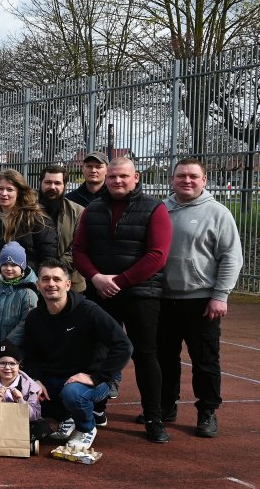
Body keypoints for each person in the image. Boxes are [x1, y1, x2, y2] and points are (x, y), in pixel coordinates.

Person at [73, 156, 172, 442]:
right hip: (101, 292)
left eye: (123, 176)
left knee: (146, 355)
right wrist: (95, 278)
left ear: (136, 177)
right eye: (113, 176)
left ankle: (154, 417)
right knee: (98, 353)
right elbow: (79, 250)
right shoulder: (93, 209)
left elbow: (157, 255)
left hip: (141, 295)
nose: (117, 181)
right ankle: (94, 410)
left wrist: (119, 281)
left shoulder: (155, 208)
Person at [159, 158, 241, 438]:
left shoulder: (218, 213)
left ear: (204, 180)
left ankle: (207, 411)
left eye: (194, 176)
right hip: (163, 298)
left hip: (202, 300)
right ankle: (165, 407)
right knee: (163, 358)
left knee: (205, 360)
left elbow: (231, 257)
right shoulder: (161, 210)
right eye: (181, 176)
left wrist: (220, 295)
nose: (187, 181)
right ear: (172, 179)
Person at [22, 258, 132, 451]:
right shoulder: (34, 317)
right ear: (38, 284)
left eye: (57, 279)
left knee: (73, 394)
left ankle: (86, 428)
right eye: (45, 279)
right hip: (54, 379)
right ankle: (67, 417)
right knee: (24, 390)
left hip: (89, 382)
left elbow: (123, 345)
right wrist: (35, 379)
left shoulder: (89, 311)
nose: (51, 284)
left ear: (68, 284)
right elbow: (30, 355)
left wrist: (98, 376)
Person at [0, 169, 57, 294]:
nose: (4, 193)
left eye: (10, 189)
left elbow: (49, 254)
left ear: (19, 192)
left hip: (31, 287)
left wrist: (38, 282)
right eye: (0, 188)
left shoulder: (35, 218)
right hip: (2, 288)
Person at [0, 242, 38, 362]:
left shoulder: (28, 293)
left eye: (14, 265)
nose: (9, 268)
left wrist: (7, 344)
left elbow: (27, 321)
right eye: (5, 264)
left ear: (22, 266)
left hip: (16, 352)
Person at [38, 164, 85, 291]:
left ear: (64, 185)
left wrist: (55, 270)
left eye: (57, 183)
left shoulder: (78, 211)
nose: (52, 187)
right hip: (34, 280)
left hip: (71, 282)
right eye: (48, 182)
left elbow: (78, 247)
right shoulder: (27, 211)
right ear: (40, 183)